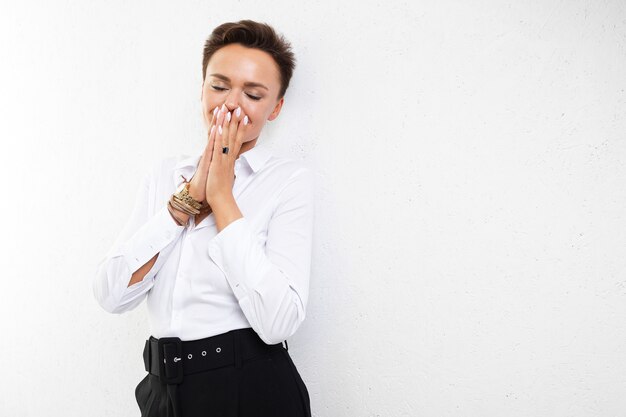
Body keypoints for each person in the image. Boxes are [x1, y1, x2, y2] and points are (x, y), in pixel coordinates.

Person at [93, 19, 314, 417]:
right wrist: (188, 198)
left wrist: (221, 195)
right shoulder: (165, 176)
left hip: (250, 388)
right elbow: (111, 294)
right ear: (201, 89)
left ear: (275, 107)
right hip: (163, 391)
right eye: (219, 85)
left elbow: (279, 321)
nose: (230, 104)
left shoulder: (287, 182)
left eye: (253, 93)